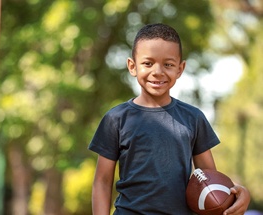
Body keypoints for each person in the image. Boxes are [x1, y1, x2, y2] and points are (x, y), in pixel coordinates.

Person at [88, 23, 250, 215]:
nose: (158, 71)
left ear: (180, 69)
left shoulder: (193, 118)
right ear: (132, 66)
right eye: (148, 63)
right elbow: (102, 181)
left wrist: (240, 194)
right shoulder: (116, 119)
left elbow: (210, 180)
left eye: (168, 64)